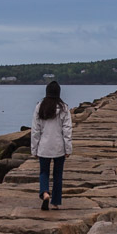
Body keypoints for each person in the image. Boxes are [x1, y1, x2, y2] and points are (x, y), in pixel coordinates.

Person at [31, 81, 72, 209]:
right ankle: (55, 202)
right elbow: (67, 130)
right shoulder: (64, 108)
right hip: (59, 146)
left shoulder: (40, 107)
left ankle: (45, 193)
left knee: (44, 172)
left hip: (44, 146)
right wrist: (68, 148)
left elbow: (35, 131)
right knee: (58, 175)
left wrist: (34, 149)